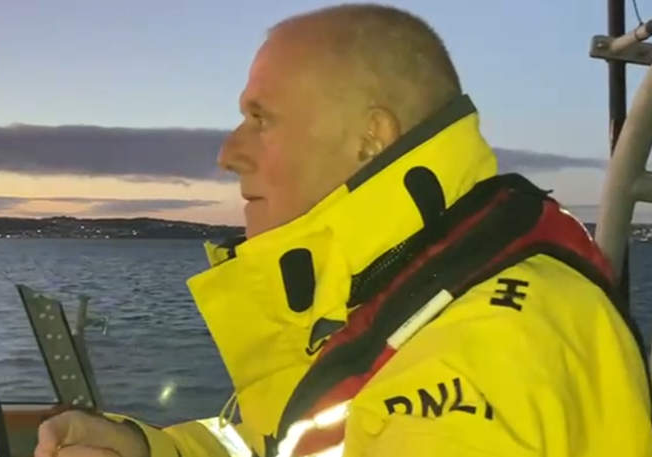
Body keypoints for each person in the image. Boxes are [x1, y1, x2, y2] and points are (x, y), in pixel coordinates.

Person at [36, 4, 652, 457]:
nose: (228, 153)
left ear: (370, 138)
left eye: (260, 119)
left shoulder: (474, 357)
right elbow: (282, 441)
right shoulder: (401, 296)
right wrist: (151, 450)